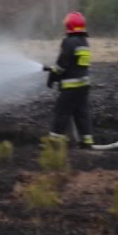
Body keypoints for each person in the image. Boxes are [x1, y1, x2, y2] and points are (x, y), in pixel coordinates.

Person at [43, 11, 94, 149]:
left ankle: (53, 144)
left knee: (61, 112)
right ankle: (87, 142)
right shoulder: (84, 43)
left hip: (71, 87)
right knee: (81, 113)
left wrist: (52, 76)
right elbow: (76, 64)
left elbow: (62, 65)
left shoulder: (68, 42)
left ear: (68, 26)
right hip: (84, 85)